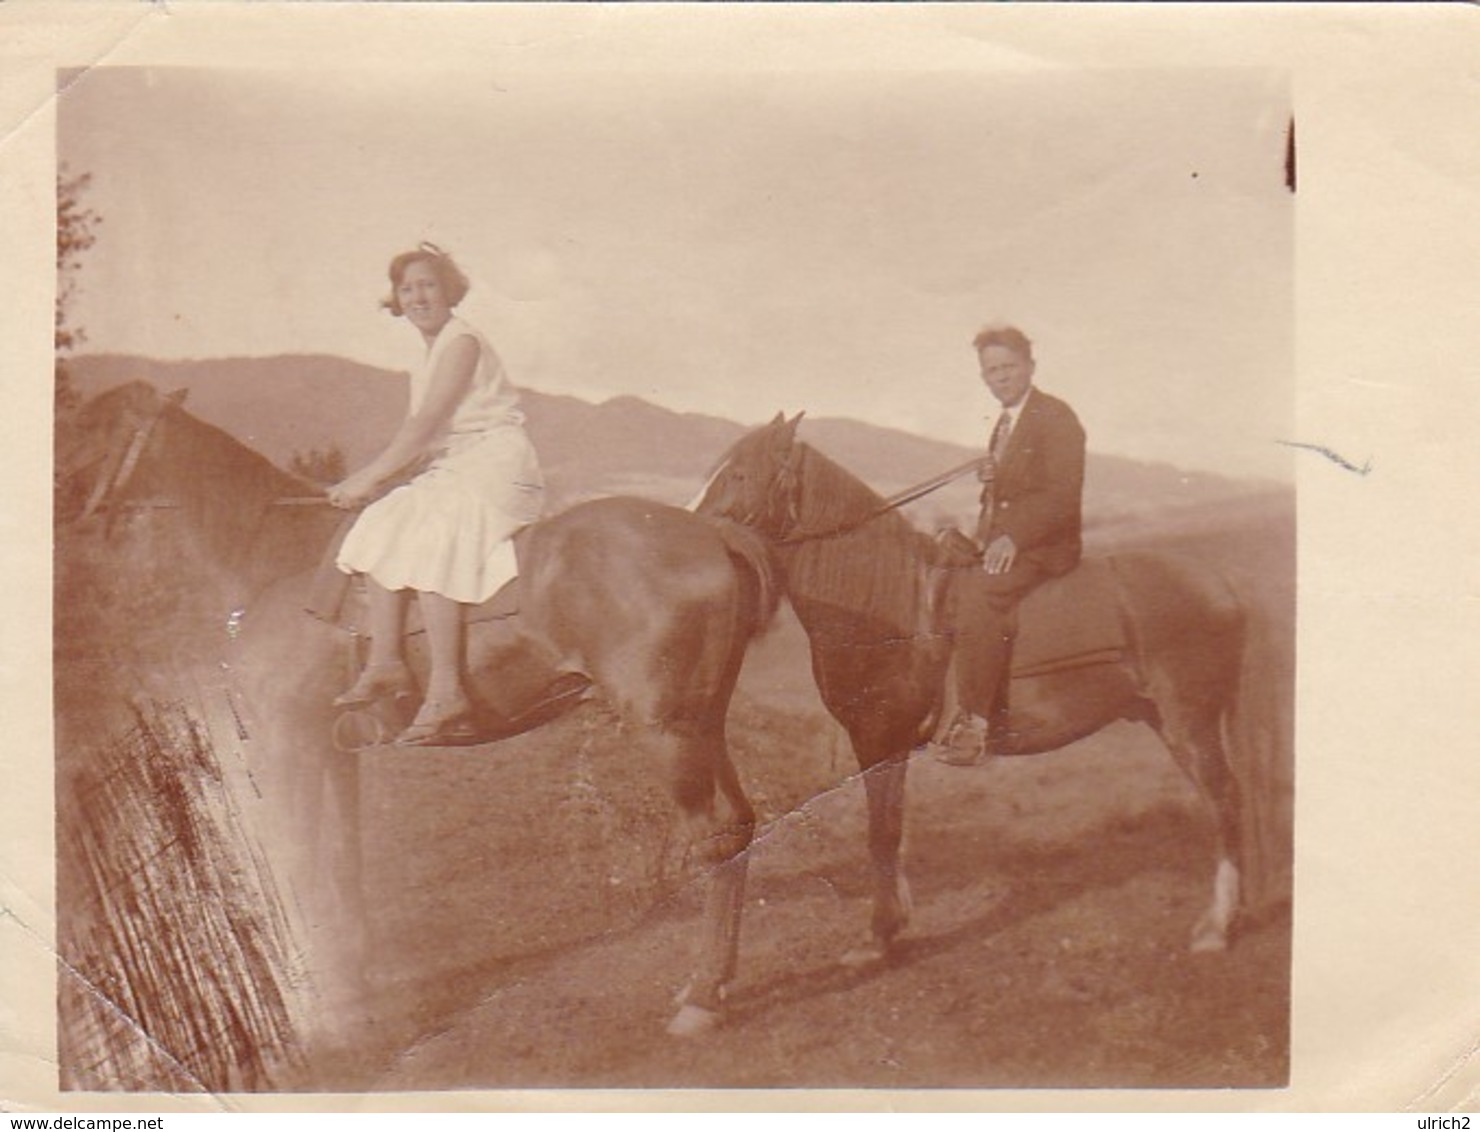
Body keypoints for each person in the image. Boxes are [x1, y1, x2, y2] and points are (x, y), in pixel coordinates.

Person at [327, 244, 543, 745]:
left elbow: (424, 425)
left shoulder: (461, 342)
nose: (417, 296)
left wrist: (364, 476)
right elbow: (429, 437)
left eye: (427, 285)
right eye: (407, 289)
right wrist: (380, 484)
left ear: (449, 290)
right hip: (462, 462)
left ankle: (446, 689)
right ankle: (386, 662)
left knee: (434, 533)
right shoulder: (429, 352)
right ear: (397, 301)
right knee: (382, 521)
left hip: (497, 464)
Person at [938, 324, 1085, 765]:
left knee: (981, 594)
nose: (1000, 377)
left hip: (1045, 546)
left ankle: (977, 725)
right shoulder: (1005, 423)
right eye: (991, 371)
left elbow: (1061, 494)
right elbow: (1015, 488)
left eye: (1008, 367)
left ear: (1030, 367)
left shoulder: (1056, 417)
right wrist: (993, 479)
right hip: (1008, 540)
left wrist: (1013, 537)